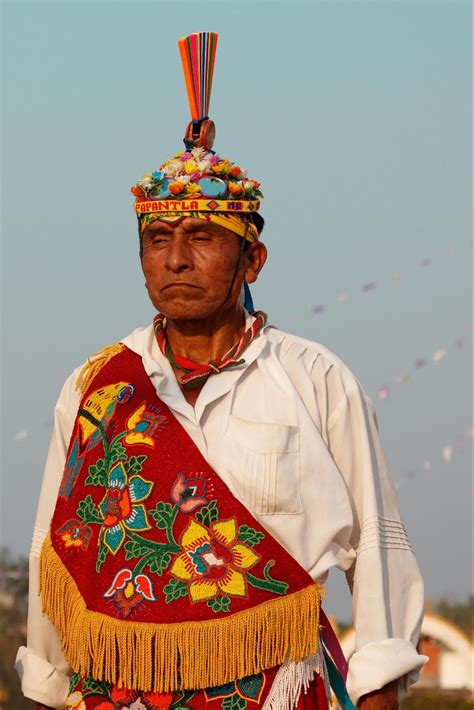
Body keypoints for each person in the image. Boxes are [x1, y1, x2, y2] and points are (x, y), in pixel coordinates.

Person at [15, 31, 427, 710]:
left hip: (277, 691)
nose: (175, 259)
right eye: (157, 239)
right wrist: (46, 692)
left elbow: (379, 548)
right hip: (116, 694)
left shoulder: (316, 380)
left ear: (252, 262)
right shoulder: (97, 387)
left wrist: (378, 690)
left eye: (201, 238)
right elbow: (53, 553)